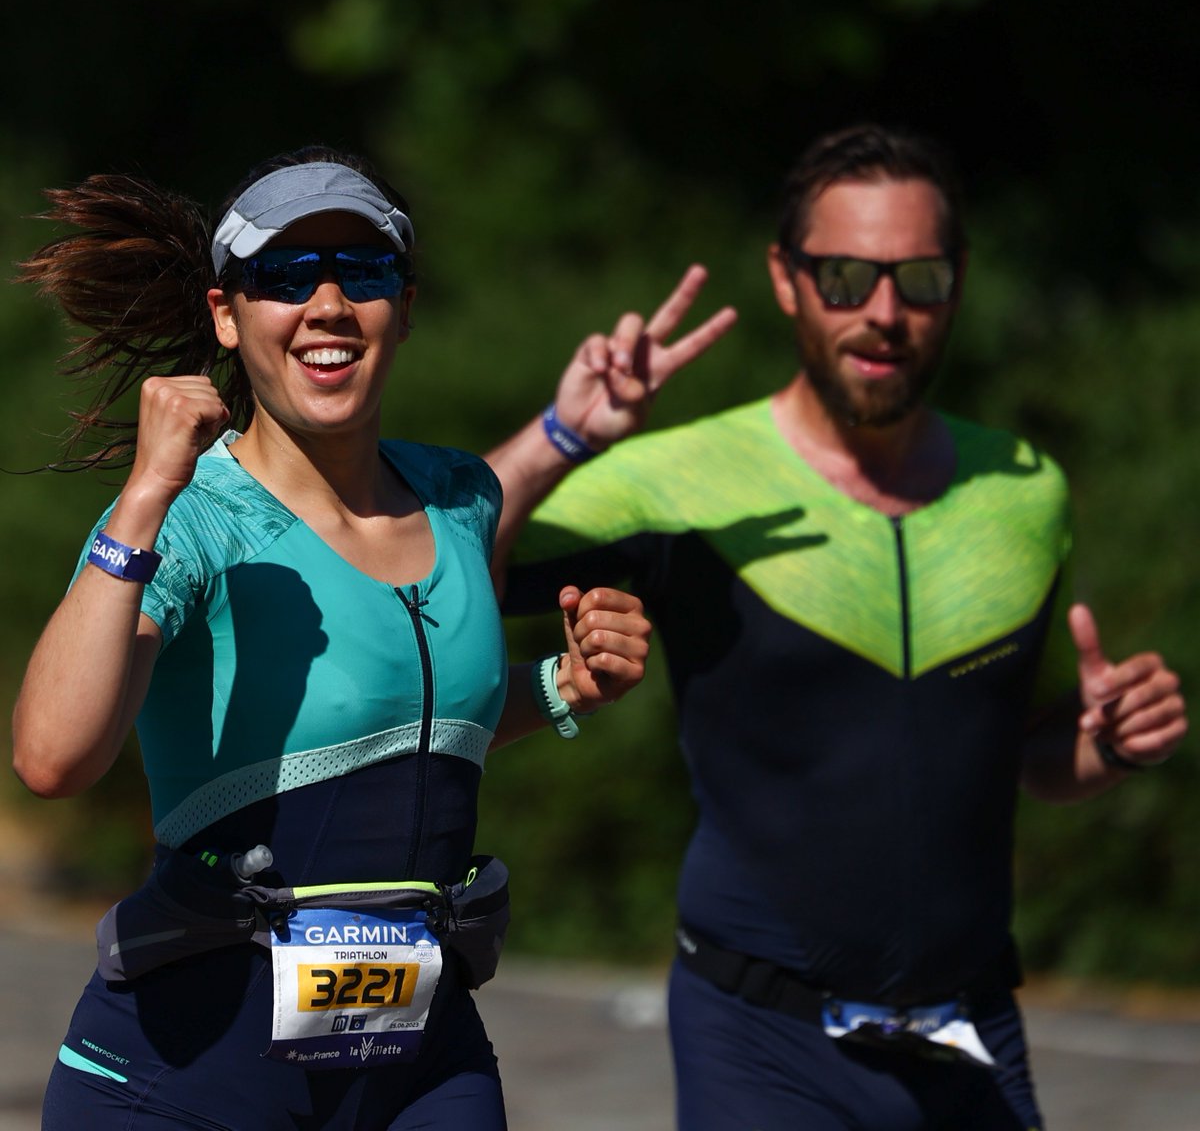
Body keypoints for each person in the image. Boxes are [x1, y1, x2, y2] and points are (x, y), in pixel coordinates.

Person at [486, 123, 1188, 1130]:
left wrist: (1107, 743)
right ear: (787, 279)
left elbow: (1024, 757)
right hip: (761, 1043)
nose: (886, 312)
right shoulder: (677, 482)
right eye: (847, 276)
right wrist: (560, 441)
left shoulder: (1026, 492)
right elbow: (437, 577)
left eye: (921, 278)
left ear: (960, 281)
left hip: (971, 1037)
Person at [10, 146, 653, 1130]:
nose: (326, 303)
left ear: (403, 304)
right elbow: (52, 756)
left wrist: (565, 683)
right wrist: (141, 499)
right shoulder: (191, 520)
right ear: (227, 313)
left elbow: (413, 718)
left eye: (362, 272)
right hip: (186, 1079)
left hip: (420, 1070)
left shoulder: (454, 500)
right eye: (282, 276)